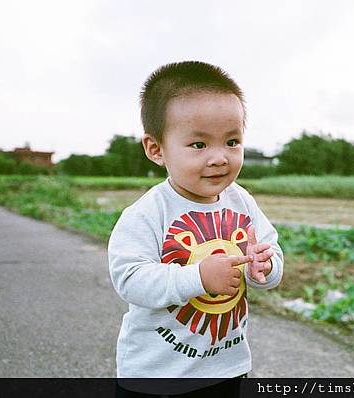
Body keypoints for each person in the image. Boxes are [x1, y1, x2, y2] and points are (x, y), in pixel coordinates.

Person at [108, 61, 284, 397]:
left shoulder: (241, 201)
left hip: (226, 367)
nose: (219, 158)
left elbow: (269, 250)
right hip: (157, 375)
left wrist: (266, 267)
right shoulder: (148, 212)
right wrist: (199, 278)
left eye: (232, 141)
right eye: (199, 145)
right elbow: (129, 279)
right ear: (156, 149)